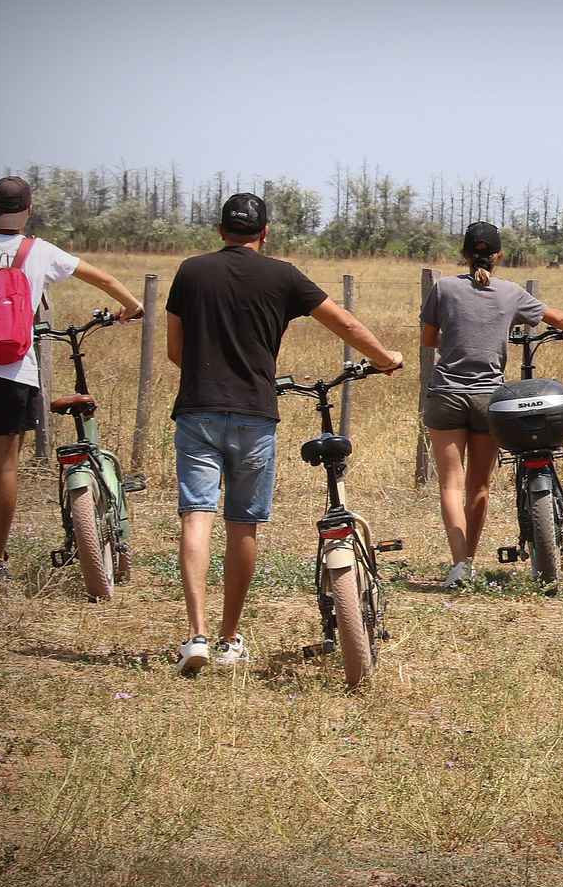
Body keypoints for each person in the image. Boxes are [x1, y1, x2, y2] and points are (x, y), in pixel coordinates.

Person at [166, 193, 402, 676]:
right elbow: (345, 322)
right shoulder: (283, 275)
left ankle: (196, 635)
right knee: (243, 525)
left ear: (219, 230)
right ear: (265, 232)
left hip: (198, 410)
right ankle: (230, 638)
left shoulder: (190, 271)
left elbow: (176, 351)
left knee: (196, 518)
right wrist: (384, 359)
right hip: (255, 413)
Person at [0, 176, 143, 589]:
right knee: (5, 466)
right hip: (17, 372)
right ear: (28, 209)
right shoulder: (40, 252)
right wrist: (132, 305)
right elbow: (101, 278)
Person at [420, 222, 563, 588]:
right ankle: (470, 557)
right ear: (498, 256)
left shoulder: (444, 288)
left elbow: (428, 339)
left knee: (450, 484)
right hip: (489, 400)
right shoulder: (511, 293)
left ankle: (459, 566)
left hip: (446, 394)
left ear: (464, 255)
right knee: (478, 487)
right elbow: (558, 319)